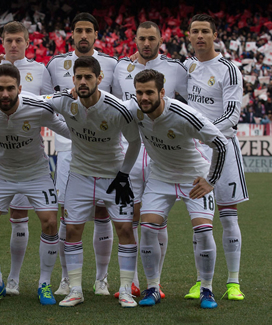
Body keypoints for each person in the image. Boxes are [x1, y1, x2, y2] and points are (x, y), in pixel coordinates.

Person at [45, 56, 141, 307]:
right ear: (73, 80)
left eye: (88, 77)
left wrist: (123, 174)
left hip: (113, 177)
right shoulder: (66, 101)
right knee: (73, 229)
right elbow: (39, 102)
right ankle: (75, 289)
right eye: (79, 77)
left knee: (126, 230)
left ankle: (124, 289)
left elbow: (135, 142)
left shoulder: (117, 108)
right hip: (80, 174)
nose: (83, 82)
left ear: (100, 79)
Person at [0, 64, 70, 305]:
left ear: (20, 88)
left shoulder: (37, 107)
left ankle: (44, 284)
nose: (5, 94)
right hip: (2, 173)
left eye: (10, 89)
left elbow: (67, 130)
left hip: (35, 173)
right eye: (0, 89)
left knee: (49, 222)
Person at [128, 69, 227, 309]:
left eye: (150, 92)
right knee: (148, 228)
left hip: (193, 178)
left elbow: (221, 144)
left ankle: (207, 290)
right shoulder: (134, 110)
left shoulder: (185, 115)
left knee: (203, 231)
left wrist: (210, 180)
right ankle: (152, 287)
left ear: (162, 92)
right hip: (161, 177)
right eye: (139, 93)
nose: (144, 98)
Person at [111, 21, 188, 298]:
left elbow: (191, 104)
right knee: (129, 216)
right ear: (135, 39)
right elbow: (107, 97)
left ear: (160, 39)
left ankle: (155, 282)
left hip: (160, 152)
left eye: (151, 38)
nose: (146, 43)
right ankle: (130, 281)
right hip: (129, 150)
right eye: (142, 38)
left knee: (157, 219)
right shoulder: (121, 66)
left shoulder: (177, 68)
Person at [0, 21, 54, 295]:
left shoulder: (39, 70)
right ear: (2, 41)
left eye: (18, 40)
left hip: (26, 148)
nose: (13, 45)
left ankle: (14, 278)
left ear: (27, 42)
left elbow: (48, 103)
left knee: (19, 214)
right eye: (8, 40)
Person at [46, 12, 118, 297]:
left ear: (96, 35)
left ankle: (102, 279)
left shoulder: (112, 64)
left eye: (89, 30)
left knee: (103, 212)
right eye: (79, 30)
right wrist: (72, 132)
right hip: (68, 150)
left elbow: (120, 107)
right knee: (67, 214)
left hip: (103, 152)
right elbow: (47, 107)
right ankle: (66, 279)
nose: (84, 35)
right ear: (71, 34)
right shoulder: (54, 64)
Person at [184, 14, 247, 301]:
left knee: (229, 216)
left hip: (224, 147)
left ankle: (233, 282)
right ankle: (201, 281)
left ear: (214, 35)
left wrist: (202, 132)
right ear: (188, 35)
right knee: (202, 219)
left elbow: (232, 115)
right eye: (195, 31)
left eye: (205, 31)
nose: (200, 36)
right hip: (197, 151)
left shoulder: (229, 69)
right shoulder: (187, 66)